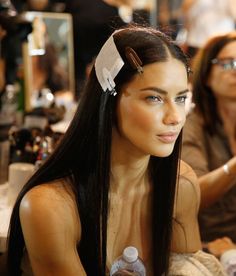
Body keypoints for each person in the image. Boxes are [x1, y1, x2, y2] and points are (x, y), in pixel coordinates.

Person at [7, 25, 225, 276]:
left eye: (181, 98)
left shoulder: (180, 184)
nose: (175, 117)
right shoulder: (50, 207)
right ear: (108, 100)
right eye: (154, 98)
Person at [182, 32, 236, 246]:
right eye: (227, 63)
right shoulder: (191, 128)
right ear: (205, 75)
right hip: (212, 243)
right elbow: (193, 196)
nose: (235, 70)